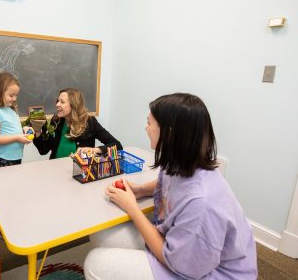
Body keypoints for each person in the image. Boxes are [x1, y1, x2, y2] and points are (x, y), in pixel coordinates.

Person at [84, 93, 257, 279]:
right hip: (179, 246)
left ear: (169, 132)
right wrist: (140, 190)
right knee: (100, 234)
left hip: (204, 272)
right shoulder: (182, 161)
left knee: (95, 263)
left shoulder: (202, 204)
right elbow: (167, 181)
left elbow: (177, 263)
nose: (146, 128)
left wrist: (132, 208)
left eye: (149, 123)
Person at [33, 88, 122, 159]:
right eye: (57, 101)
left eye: (62, 102)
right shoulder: (56, 120)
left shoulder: (90, 122)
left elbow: (117, 145)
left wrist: (94, 150)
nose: (57, 104)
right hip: (56, 170)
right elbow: (43, 150)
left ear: (74, 105)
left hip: (80, 172)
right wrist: (37, 131)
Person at [0, 72, 33, 168]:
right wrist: (17, 138)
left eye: (16, 95)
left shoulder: (10, 109)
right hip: (3, 158)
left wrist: (24, 130)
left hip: (14, 157)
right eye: (11, 95)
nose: (14, 98)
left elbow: (10, 130)